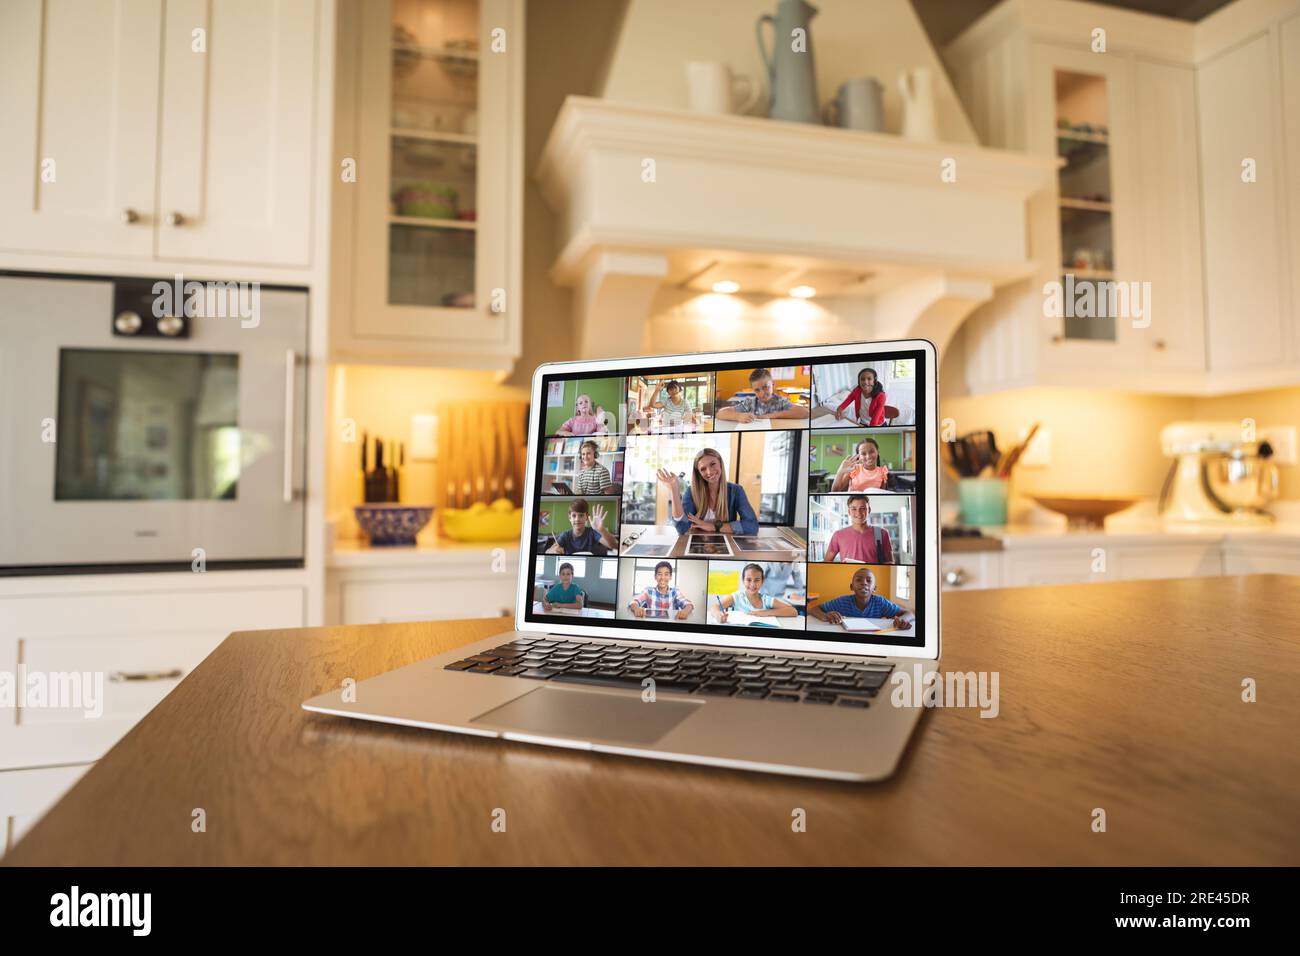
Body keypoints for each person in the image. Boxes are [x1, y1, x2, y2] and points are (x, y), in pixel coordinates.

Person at [657, 447, 758, 535]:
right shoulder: (692, 492)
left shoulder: (735, 491)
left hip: (725, 547)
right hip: (698, 548)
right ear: (699, 473)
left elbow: (752, 526)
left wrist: (712, 526)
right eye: (703, 469)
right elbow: (681, 527)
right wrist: (674, 490)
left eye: (713, 464)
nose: (709, 472)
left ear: (720, 465)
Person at [809, 567, 914, 629]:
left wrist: (902, 620)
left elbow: (910, 613)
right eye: (859, 580)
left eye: (869, 581)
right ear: (851, 587)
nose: (864, 583)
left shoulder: (880, 602)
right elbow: (812, 609)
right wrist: (825, 616)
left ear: (874, 589)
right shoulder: (842, 602)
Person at [710, 563, 797, 624]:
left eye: (757, 580)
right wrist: (718, 615)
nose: (752, 584)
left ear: (762, 581)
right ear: (743, 581)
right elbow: (715, 607)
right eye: (748, 580)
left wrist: (764, 613)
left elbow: (793, 611)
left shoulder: (766, 599)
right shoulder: (737, 596)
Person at [716, 368, 808, 424]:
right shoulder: (750, 403)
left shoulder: (781, 401)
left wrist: (773, 415)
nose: (762, 393)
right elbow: (720, 413)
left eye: (766, 387)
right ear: (753, 390)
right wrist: (738, 416)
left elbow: (805, 412)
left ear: (773, 385)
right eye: (757, 390)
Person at [824, 495, 893, 563]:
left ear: (869, 510)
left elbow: (890, 563)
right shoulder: (838, 535)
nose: (858, 513)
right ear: (849, 511)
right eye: (854, 509)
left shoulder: (882, 533)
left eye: (862, 508)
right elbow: (827, 562)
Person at [547, 498, 618, 555]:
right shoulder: (565, 535)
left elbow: (615, 546)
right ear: (569, 518)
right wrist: (554, 551)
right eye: (574, 516)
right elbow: (548, 552)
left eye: (581, 515)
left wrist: (601, 529)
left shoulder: (592, 532)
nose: (577, 519)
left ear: (586, 517)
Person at [627, 561, 694, 620]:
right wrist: (636, 609)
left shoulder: (675, 592)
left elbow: (688, 604)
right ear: (655, 577)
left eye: (666, 574)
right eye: (659, 574)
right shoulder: (648, 591)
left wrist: (685, 611)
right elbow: (633, 602)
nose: (662, 578)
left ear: (670, 577)